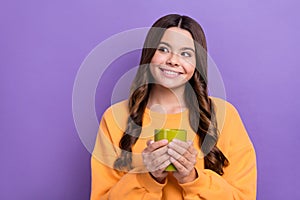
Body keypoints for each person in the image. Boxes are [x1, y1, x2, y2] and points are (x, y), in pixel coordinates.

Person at [90, 14, 257, 199]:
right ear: (149, 54)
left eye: (185, 53)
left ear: (197, 63)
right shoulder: (116, 117)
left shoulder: (225, 116)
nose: (173, 60)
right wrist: (148, 176)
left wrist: (192, 178)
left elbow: (243, 197)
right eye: (163, 49)